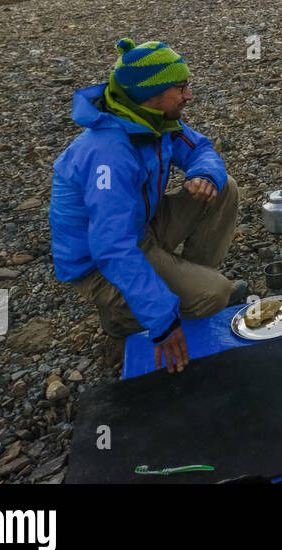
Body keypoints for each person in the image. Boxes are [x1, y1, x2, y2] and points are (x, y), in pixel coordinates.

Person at [49, 39, 245, 374]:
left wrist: (203, 173)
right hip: (98, 262)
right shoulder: (109, 153)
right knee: (216, 296)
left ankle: (186, 286)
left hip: (140, 227)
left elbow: (200, 149)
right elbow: (110, 246)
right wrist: (161, 321)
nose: (189, 95)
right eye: (180, 88)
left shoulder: (153, 119)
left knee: (223, 186)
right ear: (150, 92)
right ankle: (131, 318)